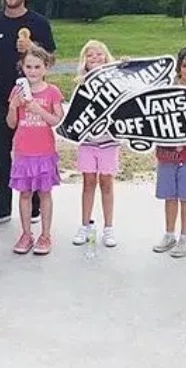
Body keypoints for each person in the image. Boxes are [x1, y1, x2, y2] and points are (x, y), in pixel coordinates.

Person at [0, 0, 57, 225]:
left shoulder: (38, 23)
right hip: (2, 95)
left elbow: (52, 58)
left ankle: (35, 207)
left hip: (33, 97)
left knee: (33, 152)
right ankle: (2, 209)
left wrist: (33, 49)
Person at [7, 45, 64, 255]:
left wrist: (38, 109)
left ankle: (45, 234)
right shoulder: (17, 90)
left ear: (45, 67)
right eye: (28, 66)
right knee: (24, 194)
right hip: (23, 150)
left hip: (44, 151)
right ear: (22, 68)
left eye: (37, 66)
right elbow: (11, 123)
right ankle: (26, 233)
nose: (32, 71)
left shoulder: (52, 92)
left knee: (45, 193)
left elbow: (57, 121)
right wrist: (13, 106)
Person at [151, 47, 186, 258]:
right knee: (169, 195)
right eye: (185, 66)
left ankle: (185, 237)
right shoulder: (166, 89)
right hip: (166, 153)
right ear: (178, 67)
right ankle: (169, 234)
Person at [72, 40, 120, 248]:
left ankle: (109, 228)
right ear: (84, 61)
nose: (95, 58)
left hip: (109, 142)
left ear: (107, 56)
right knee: (88, 182)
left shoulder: (117, 81)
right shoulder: (81, 85)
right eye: (90, 55)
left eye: (99, 54)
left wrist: (125, 68)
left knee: (107, 183)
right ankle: (85, 224)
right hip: (88, 143)